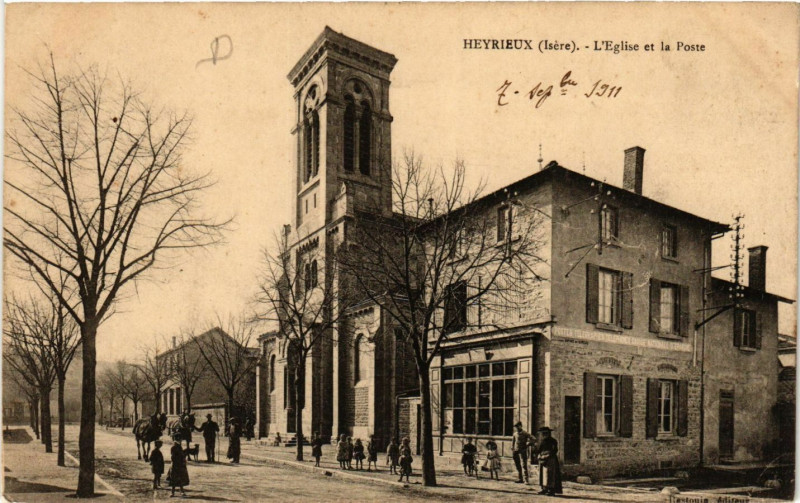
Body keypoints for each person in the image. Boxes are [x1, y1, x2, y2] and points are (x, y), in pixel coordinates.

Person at [534, 426, 563, 496]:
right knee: (542, 474)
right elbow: (539, 450)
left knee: (550, 475)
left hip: (551, 459)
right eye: (543, 433)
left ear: (549, 433)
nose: (544, 435)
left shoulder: (553, 441)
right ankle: (544, 489)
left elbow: (555, 450)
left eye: (545, 433)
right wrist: (538, 455)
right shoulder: (542, 441)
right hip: (542, 460)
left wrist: (548, 455)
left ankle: (551, 490)